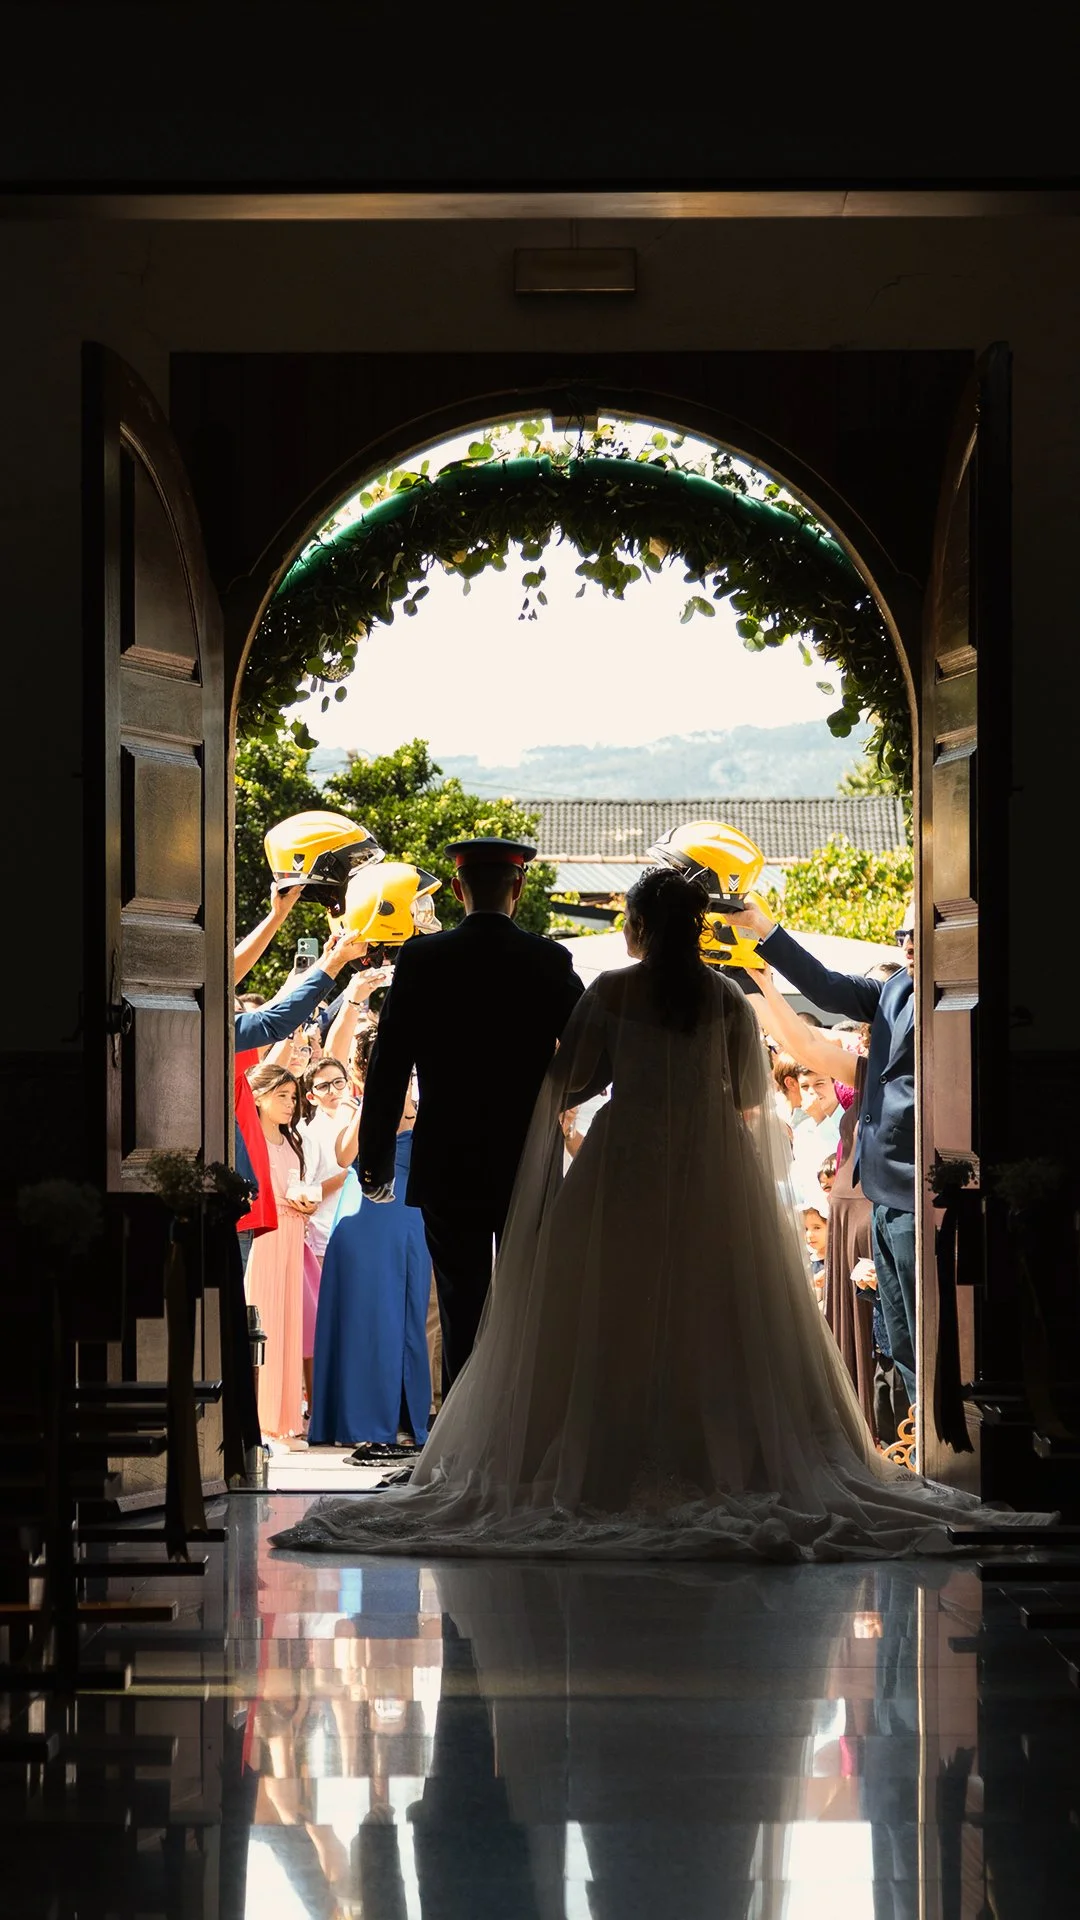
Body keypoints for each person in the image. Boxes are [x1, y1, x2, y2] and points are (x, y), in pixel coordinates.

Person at [272, 868, 1053, 1561]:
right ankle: (719, 1455)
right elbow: (752, 1098)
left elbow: (571, 1081)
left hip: (625, 1165)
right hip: (711, 1167)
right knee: (712, 1308)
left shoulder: (613, 992)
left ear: (638, 927)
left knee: (603, 1308)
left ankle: (572, 1454)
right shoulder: (722, 999)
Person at [355, 836, 584, 1394]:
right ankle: (522, 1435)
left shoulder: (423, 958)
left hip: (447, 1156)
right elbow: (588, 1051)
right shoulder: (548, 960)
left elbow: (389, 1065)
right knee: (528, 1302)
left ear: (457, 889)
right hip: (525, 1155)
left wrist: (375, 1159)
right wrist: (554, 1095)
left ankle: (460, 1442)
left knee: (460, 1307)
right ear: (519, 887)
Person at [727, 894, 921, 1410]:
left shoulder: (952, 1006)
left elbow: (814, 1047)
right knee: (901, 1344)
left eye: (917, 930)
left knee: (922, 1343)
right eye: (901, 932)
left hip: (917, 1196)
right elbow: (824, 994)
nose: (908, 942)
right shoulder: (894, 991)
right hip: (877, 1201)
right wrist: (760, 944)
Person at [309, 1077, 433, 1455]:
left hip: (408, 1218)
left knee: (405, 1316)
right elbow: (345, 1157)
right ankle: (357, 1418)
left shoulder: (426, 1109)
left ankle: (405, 1419)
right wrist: (370, 1104)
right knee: (362, 1317)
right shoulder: (356, 1107)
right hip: (360, 1221)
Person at [243, 1063, 317, 1442]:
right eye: (282, 1096)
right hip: (266, 1236)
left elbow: (299, 1186)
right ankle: (259, 1416)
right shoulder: (248, 1136)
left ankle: (288, 1416)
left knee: (290, 1322)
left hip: (293, 1234)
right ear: (259, 1096)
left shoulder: (292, 1141)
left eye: (292, 1097)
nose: (290, 1103)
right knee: (266, 1320)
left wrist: (306, 1205)